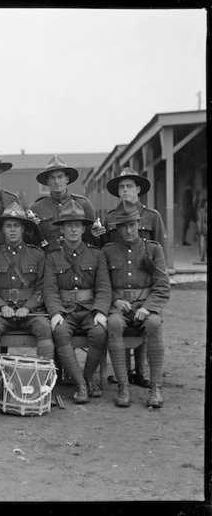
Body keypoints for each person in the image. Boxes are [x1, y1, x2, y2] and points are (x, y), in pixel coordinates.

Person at [91, 167, 167, 387]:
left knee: (148, 321)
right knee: (119, 322)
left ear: (139, 188)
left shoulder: (152, 216)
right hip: (120, 279)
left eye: (129, 186)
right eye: (121, 187)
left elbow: (159, 248)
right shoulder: (111, 217)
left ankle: (141, 370)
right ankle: (122, 370)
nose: (125, 191)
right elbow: (106, 252)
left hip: (146, 280)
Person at [102, 200, 170, 408]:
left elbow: (162, 286)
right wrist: (116, 299)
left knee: (153, 324)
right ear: (118, 228)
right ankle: (123, 387)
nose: (128, 230)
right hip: (119, 308)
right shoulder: (108, 251)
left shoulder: (153, 249)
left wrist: (147, 307)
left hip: (145, 307)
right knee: (113, 324)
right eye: (123, 226)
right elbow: (103, 285)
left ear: (139, 224)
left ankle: (155, 388)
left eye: (132, 225)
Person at [43, 200, 111, 404]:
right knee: (60, 332)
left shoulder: (96, 254)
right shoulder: (53, 256)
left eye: (77, 225)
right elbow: (50, 289)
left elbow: (104, 287)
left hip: (90, 309)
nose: (73, 229)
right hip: (66, 310)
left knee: (99, 332)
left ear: (83, 228)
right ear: (61, 229)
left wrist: (100, 311)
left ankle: (89, 376)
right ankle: (81, 385)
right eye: (68, 225)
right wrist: (55, 312)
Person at [0, 203, 55, 382]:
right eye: (8, 226)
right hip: (2, 312)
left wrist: (29, 307)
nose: (12, 230)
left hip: (29, 312)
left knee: (44, 327)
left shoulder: (37, 255)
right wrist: (2, 306)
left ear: (23, 228)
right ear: (3, 229)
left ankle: (44, 383)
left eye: (16, 226)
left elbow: (41, 288)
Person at [28, 155, 97, 252]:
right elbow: (31, 242)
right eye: (52, 178)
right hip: (48, 262)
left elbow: (92, 239)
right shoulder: (36, 208)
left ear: (67, 179)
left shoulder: (83, 204)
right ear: (47, 181)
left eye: (60, 177)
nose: (56, 181)